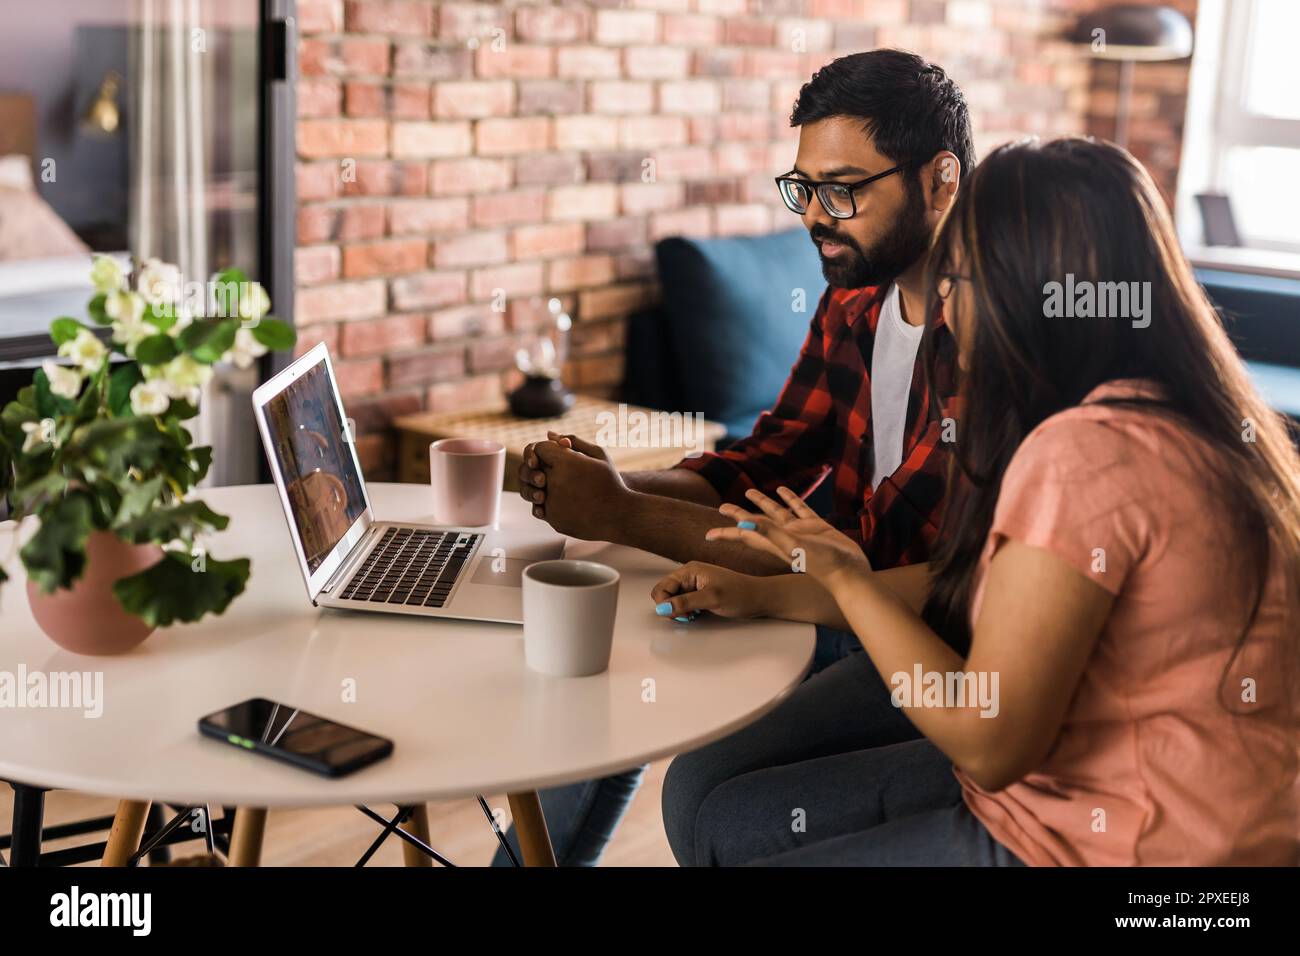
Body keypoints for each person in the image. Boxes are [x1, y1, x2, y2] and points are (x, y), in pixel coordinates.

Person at [652, 136, 1300, 866]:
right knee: (719, 809)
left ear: (1029, 293)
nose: (945, 309)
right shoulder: (1188, 415)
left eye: (958, 280)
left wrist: (845, 577)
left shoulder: (1089, 454)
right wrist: (771, 591)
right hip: (1080, 792)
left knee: (729, 820)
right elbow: (971, 601)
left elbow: (988, 740)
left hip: (1125, 849)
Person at [489, 49, 973, 866]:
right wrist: (615, 486)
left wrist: (624, 513)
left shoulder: (989, 337)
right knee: (616, 643)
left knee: (704, 785)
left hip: (924, 640)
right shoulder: (854, 295)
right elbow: (768, 459)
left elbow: (890, 562)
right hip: (836, 598)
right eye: (804, 189)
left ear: (940, 179)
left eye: (843, 190)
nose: (815, 216)